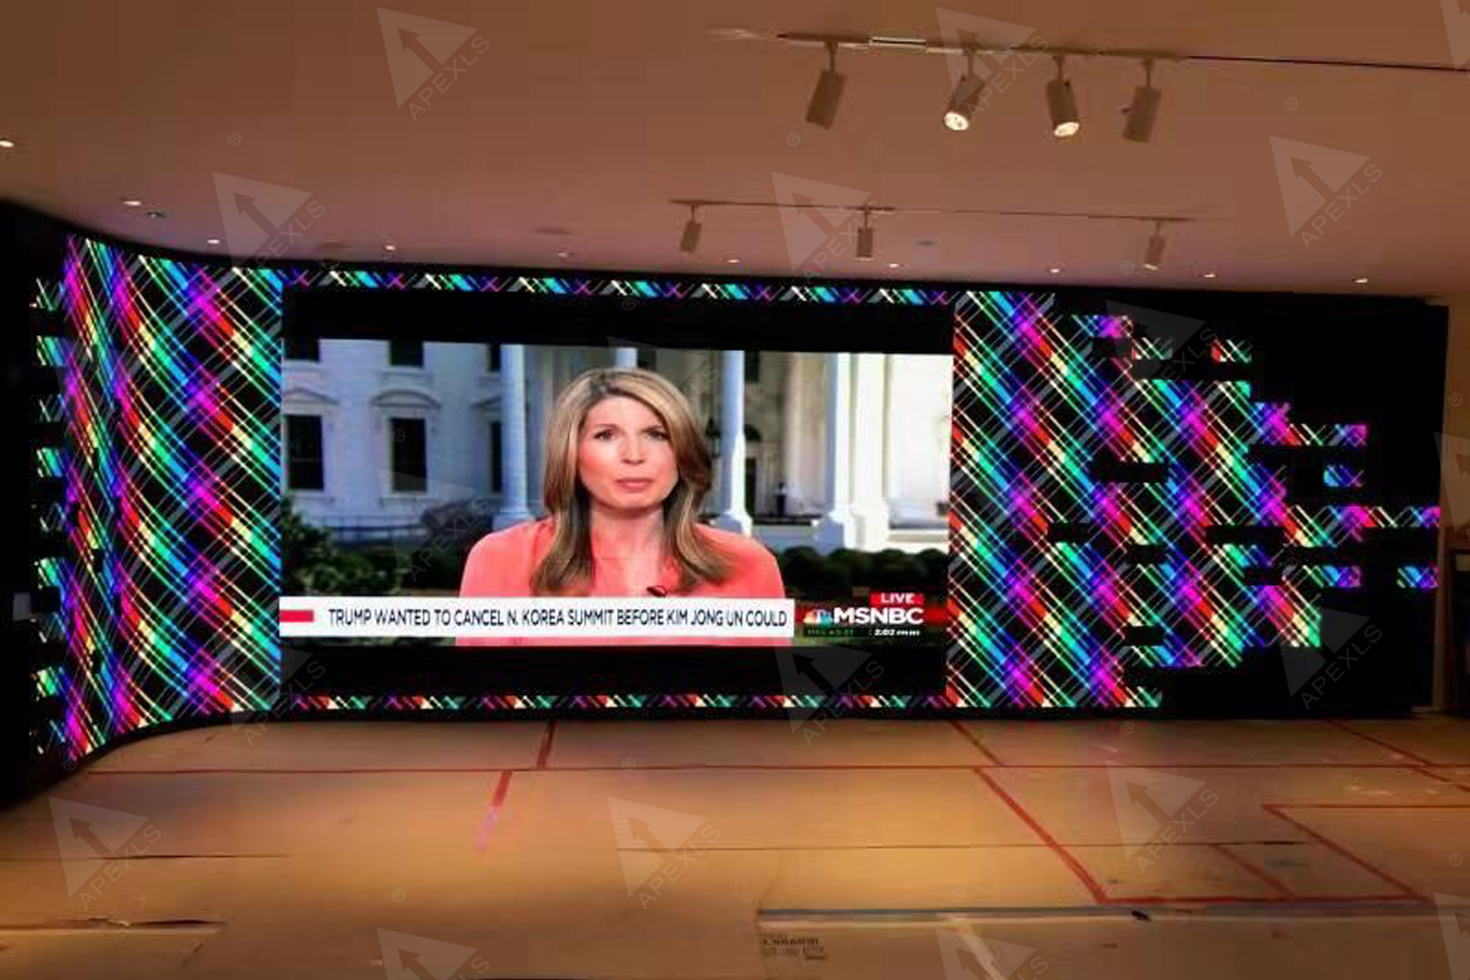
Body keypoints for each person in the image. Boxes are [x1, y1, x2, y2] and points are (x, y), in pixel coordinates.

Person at [458, 366, 786, 646]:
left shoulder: (749, 565)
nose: (634, 455)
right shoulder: (502, 559)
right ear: (571, 452)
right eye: (606, 435)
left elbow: (769, 699)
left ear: (681, 453)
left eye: (657, 434)